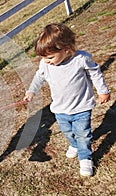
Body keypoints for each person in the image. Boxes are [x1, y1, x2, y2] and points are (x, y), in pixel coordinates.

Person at [23, 23, 110, 177]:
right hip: (60, 109)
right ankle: (74, 145)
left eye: (50, 57)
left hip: (81, 107)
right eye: (44, 57)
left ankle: (85, 158)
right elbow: (39, 77)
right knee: (67, 131)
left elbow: (95, 73)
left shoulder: (81, 59)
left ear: (66, 49)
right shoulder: (45, 64)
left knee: (83, 134)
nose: (47, 61)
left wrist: (102, 91)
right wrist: (31, 91)